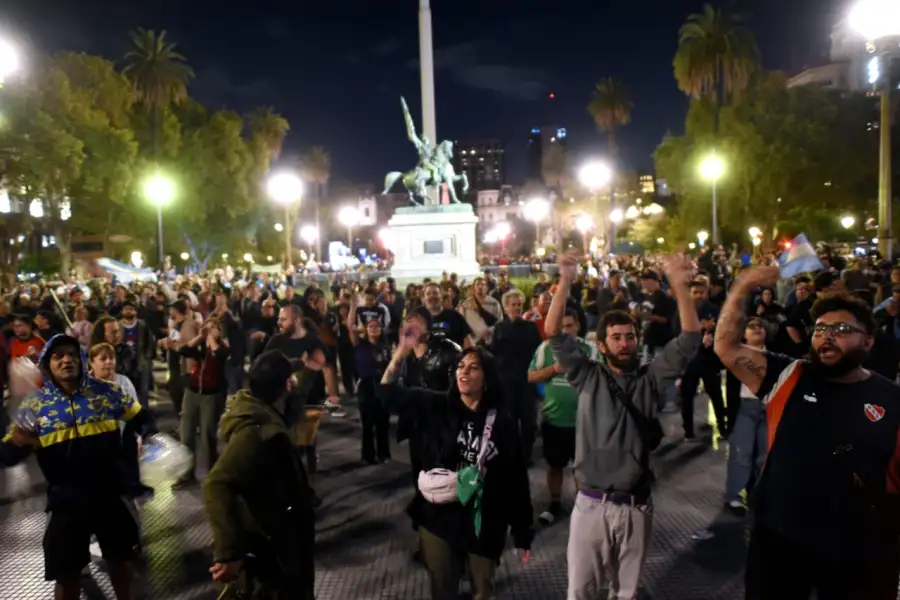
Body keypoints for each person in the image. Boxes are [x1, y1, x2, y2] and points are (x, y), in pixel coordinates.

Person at [715, 267, 900, 600]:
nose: (826, 336)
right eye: (820, 329)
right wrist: (742, 286)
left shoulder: (891, 399)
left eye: (841, 329)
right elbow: (726, 347)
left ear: (868, 341)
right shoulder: (789, 376)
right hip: (780, 543)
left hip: (857, 551)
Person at [547, 251, 700, 600]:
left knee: (626, 594)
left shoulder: (650, 380)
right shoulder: (587, 375)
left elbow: (690, 338)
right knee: (581, 592)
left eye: (629, 336)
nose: (624, 342)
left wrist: (679, 285)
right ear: (601, 346)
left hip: (636, 506)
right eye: (616, 337)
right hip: (590, 505)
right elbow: (553, 331)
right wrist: (566, 280)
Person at [0, 334, 156, 600]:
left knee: (120, 562)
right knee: (67, 574)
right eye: (57, 355)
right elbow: (7, 455)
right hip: (66, 501)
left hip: (109, 493)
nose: (66, 360)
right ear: (47, 364)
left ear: (81, 359)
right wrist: (17, 442)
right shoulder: (35, 406)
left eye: (71, 354)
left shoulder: (108, 392)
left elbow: (143, 419)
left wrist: (149, 439)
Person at [381, 330, 534, 600]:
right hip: (440, 517)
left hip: (484, 520)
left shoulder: (502, 422)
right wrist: (400, 353)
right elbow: (388, 393)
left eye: (474, 368)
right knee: (443, 588)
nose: (464, 372)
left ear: (487, 378)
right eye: (460, 366)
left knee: (483, 589)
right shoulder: (437, 406)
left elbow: (516, 479)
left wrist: (522, 531)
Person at [204, 351, 316, 600]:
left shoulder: (262, 414)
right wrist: (228, 553)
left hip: (280, 546)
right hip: (273, 558)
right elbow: (217, 483)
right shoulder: (259, 433)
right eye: (292, 380)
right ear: (286, 385)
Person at [528, 307, 597, 525]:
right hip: (554, 421)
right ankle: (555, 504)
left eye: (569, 326)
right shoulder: (544, 349)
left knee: (582, 467)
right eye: (561, 326)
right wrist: (555, 368)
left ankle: (582, 505)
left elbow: (603, 381)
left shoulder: (591, 350)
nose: (565, 331)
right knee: (555, 465)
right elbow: (531, 377)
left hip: (583, 422)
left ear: (577, 326)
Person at [172, 316, 231, 489]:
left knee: (208, 435)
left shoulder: (223, 347)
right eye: (208, 327)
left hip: (211, 396)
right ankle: (187, 474)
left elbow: (218, 354)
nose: (210, 330)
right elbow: (184, 350)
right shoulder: (201, 346)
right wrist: (200, 336)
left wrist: (212, 338)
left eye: (214, 327)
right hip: (192, 392)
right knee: (187, 434)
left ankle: (214, 474)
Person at [347, 291, 392, 464]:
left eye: (377, 326)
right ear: (366, 329)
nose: (373, 328)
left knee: (383, 422)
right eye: (370, 326)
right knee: (367, 424)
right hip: (365, 385)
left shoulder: (386, 347)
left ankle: (384, 454)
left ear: (381, 329)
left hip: (382, 385)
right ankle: (367, 455)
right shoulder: (360, 344)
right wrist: (353, 306)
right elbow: (350, 325)